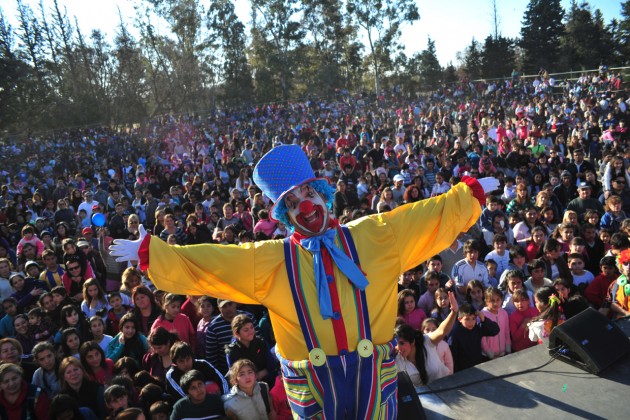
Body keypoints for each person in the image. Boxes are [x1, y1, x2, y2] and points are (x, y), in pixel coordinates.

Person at [111, 145, 497, 418]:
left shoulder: (375, 235)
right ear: (283, 214)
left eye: (309, 193)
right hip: (312, 385)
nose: (305, 206)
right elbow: (214, 263)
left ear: (324, 194)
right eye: (292, 202)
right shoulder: (270, 259)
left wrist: (469, 196)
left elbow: (424, 217)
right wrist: (153, 251)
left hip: (373, 376)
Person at [394, 291, 458, 387]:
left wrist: (453, 312)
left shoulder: (426, 341)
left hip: (447, 389)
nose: (398, 347)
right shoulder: (398, 360)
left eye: (402, 343)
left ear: (412, 342)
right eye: (397, 343)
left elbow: (441, 331)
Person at [448, 303, 500, 372]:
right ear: (460, 319)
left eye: (473, 319)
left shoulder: (477, 328)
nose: (471, 322)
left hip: (478, 367)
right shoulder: (455, 333)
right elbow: (453, 357)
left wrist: (483, 319)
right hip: (462, 370)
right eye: (467, 319)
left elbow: (495, 330)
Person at [225, 314, 272, 385]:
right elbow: (233, 374)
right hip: (244, 386)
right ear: (236, 333)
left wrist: (264, 372)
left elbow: (271, 365)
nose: (251, 332)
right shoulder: (231, 351)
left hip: (266, 381)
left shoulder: (261, 342)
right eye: (246, 330)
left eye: (251, 327)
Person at [480, 287, 511, 360]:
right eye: (492, 300)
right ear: (486, 301)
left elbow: (506, 331)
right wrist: (488, 351)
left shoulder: (504, 313)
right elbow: (482, 337)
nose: (495, 303)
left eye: (498, 300)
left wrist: (508, 347)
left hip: (503, 353)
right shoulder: (482, 315)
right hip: (488, 356)